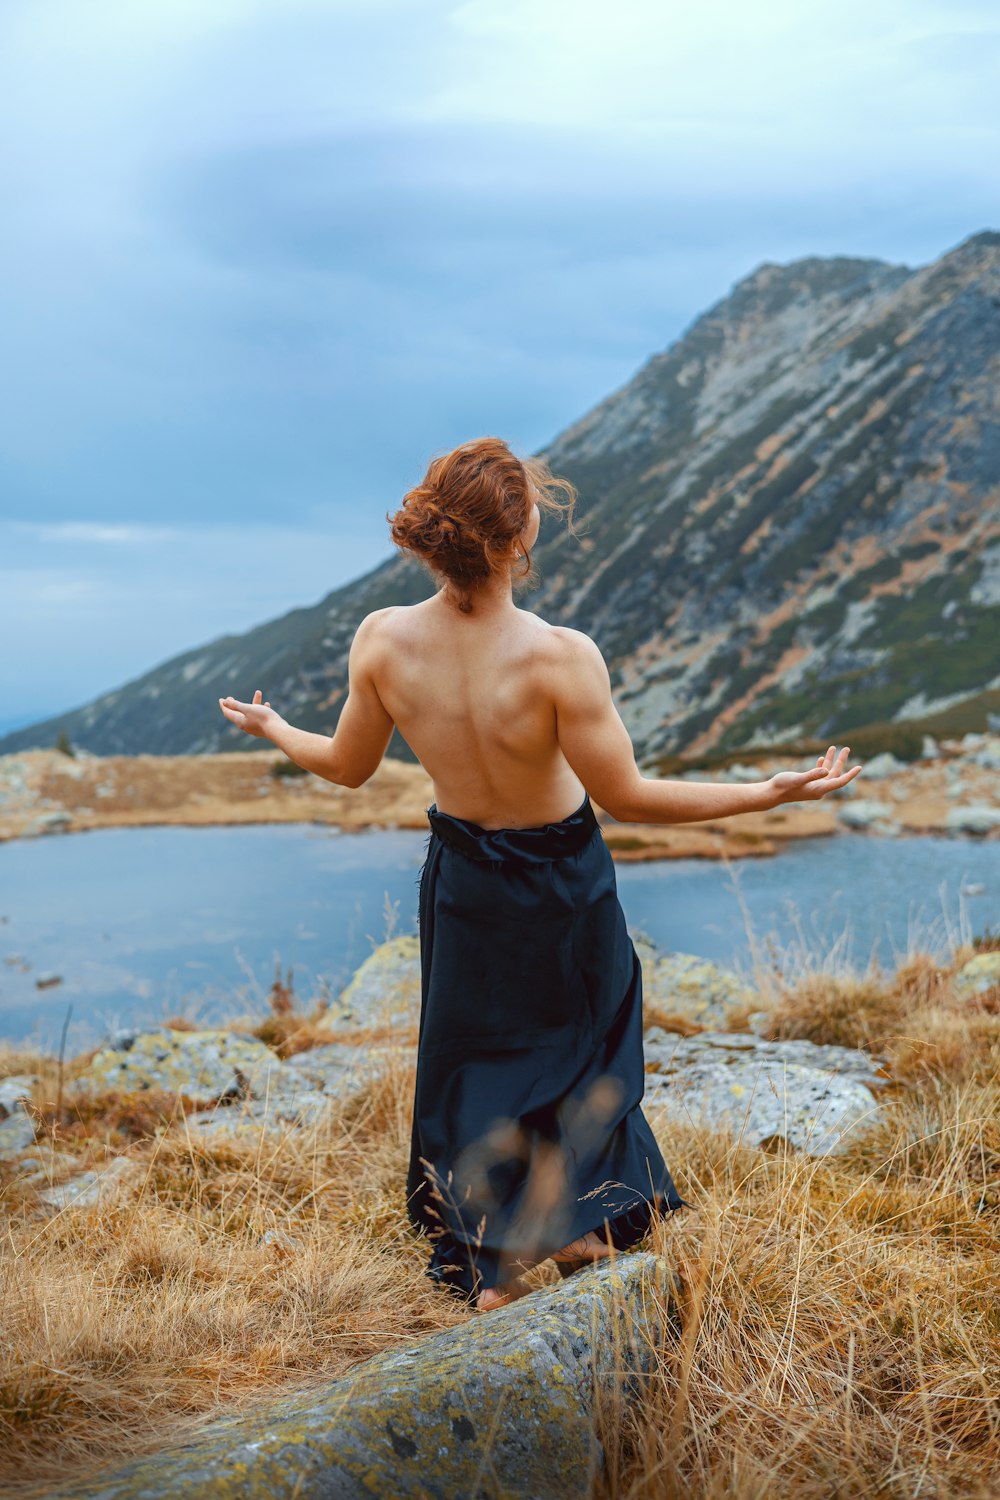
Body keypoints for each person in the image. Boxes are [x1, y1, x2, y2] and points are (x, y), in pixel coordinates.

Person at [218, 435, 864, 1314]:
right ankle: (579, 1223)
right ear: (517, 538)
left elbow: (345, 766)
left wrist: (275, 728)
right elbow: (627, 798)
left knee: (474, 1057)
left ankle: (494, 1256)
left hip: (465, 876)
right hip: (562, 876)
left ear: (436, 534)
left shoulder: (382, 642)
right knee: (583, 1046)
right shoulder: (561, 656)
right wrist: (766, 793)